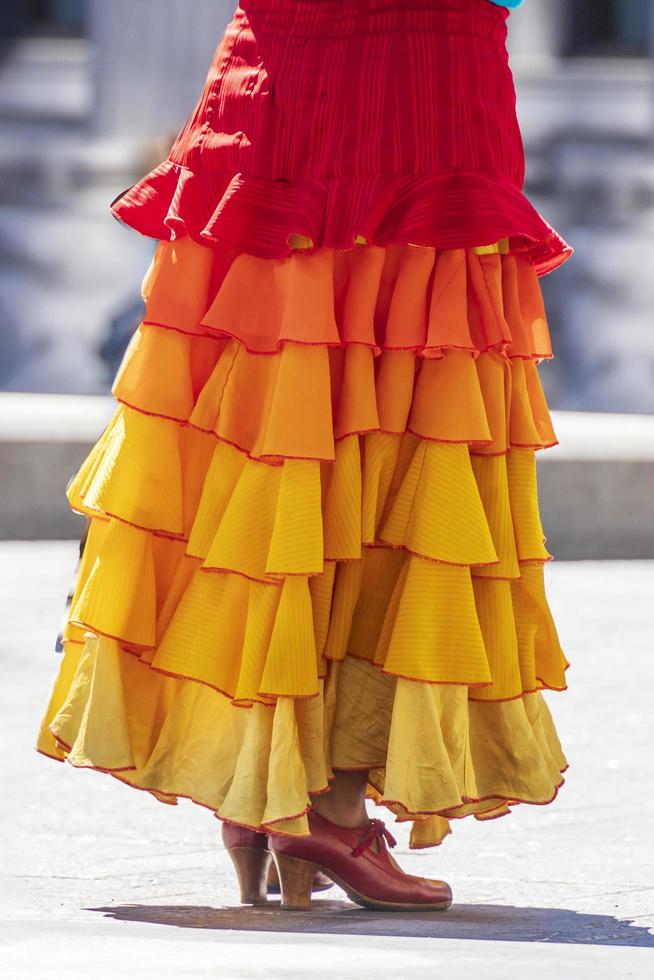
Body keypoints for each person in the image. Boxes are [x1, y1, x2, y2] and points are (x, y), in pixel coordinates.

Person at [36, 0, 572, 913]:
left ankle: (269, 788)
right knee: (395, 406)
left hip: (290, 66)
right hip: (426, 69)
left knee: (282, 404)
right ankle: (325, 799)